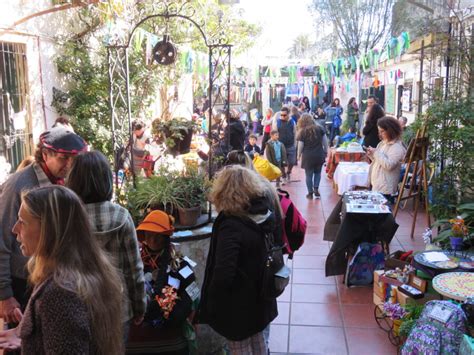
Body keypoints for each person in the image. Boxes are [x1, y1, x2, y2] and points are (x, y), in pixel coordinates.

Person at [0, 185, 123, 353]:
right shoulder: (76, 275)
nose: (15, 229)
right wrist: (31, 338)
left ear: (48, 229)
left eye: (22, 222)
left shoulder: (60, 293)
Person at [0, 127, 86, 326]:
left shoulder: (62, 181)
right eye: (64, 158)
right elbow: (1, 240)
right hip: (22, 283)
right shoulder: (19, 184)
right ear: (45, 154)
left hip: (52, 279)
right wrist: (4, 295)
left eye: (73, 159)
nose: (69, 164)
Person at [66, 151, 146, 342]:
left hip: (78, 308)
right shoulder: (122, 217)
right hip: (118, 310)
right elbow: (134, 270)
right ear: (106, 180)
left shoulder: (67, 218)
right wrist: (139, 307)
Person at [199, 165, 279, 354]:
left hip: (238, 304)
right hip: (259, 297)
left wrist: (211, 303)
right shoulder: (261, 215)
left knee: (240, 347)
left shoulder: (232, 226)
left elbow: (224, 273)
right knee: (259, 342)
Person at [128, 210, 197, 354]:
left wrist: (177, 315)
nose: (152, 239)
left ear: (165, 236)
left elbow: (192, 292)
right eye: (149, 234)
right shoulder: (134, 263)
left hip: (170, 330)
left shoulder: (180, 264)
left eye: (157, 235)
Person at [366, 116, 407, 203]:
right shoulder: (383, 143)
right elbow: (380, 161)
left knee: (382, 214)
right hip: (378, 184)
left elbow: (388, 165)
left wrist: (376, 153)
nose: (380, 134)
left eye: (382, 131)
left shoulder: (397, 147)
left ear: (390, 130)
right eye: (379, 131)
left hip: (385, 188)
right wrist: (371, 155)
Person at [297, 114, 327, 199]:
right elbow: (325, 141)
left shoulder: (302, 131)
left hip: (308, 157)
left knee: (308, 175)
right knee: (318, 173)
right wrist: (326, 151)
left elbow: (300, 145)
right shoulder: (320, 128)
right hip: (319, 155)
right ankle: (316, 189)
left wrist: (298, 155)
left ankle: (310, 193)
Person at [272, 106, 296, 182]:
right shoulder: (278, 122)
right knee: (281, 162)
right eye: (281, 115)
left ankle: (288, 172)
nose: (282, 116)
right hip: (280, 145)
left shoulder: (292, 122)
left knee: (291, 162)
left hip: (290, 144)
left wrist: (295, 144)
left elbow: (295, 133)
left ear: (288, 114)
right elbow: (274, 133)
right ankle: (283, 175)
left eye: (284, 115)